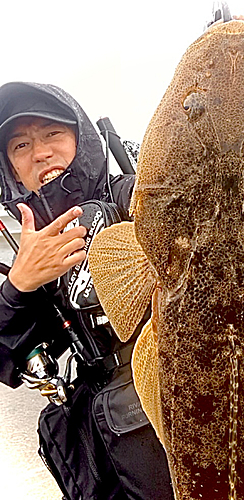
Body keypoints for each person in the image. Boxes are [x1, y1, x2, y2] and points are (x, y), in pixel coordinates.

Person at [0, 81, 174, 500]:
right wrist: (18, 287)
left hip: (176, 401)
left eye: (53, 134)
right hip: (107, 438)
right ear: (9, 168)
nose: (40, 152)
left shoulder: (130, 196)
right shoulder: (30, 247)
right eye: (20, 145)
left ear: (82, 138)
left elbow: (196, 208)